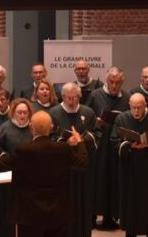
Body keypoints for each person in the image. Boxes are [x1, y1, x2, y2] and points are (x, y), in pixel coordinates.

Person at [0, 110, 89, 237]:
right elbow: (83, 163)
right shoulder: (63, 149)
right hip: (58, 212)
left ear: (31, 127)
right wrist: (80, 142)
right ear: (51, 127)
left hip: (28, 214)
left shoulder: (24, 151)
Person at [112, 94, 148, 237]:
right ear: (129, 105)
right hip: (129, 170)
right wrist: (129, 145)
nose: (136, 111)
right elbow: (114, 142)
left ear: (145, 105)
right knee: (131, 206)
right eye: (133, 107)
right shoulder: (122, 119)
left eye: (139, 107)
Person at [85, 66, 130, 229]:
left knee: (113, 180)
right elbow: (87, 117)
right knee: (97, 180)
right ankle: (91, 216)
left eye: (118, 82)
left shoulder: (126, 97)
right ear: (106, 80)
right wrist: (96, 122)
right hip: (99, 146)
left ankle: (110, 216)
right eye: (111, 81)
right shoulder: (95, 95)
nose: (114, 85)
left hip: (116, 145)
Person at [56, 82, 99, 237]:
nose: (72, 101)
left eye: (75, 97)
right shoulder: (54, 113)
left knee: (83, 203)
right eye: (68, 97)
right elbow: (50, 138)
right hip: (62, 170)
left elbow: (96, 135)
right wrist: (67, 142)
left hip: (83, 170)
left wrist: (80, 140)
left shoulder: (88, 112)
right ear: (63, 97)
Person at [0, 98, 33, 237]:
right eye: (19, 112)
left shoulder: (33, 127)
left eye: (25, 112)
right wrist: (5, 157)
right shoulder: (5, 127)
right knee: (7, 210)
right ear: (13, 112)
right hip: (8, 175)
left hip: (28, 177)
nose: (22, 115)